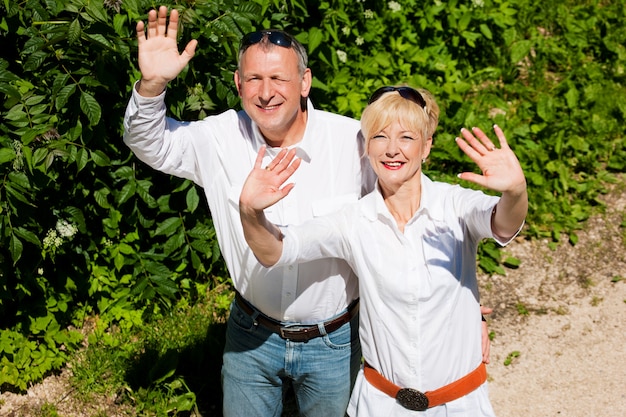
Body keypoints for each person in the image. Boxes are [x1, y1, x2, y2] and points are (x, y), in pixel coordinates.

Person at [123, 6, 492, 416]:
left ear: (304, 81)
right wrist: (152, 85)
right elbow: (149, 143)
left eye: (279, 78)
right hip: (251, 334)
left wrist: (465, 311)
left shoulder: (351, 141)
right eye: (254, 79)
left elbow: (408, 220)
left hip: (333, 340)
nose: (266, 92)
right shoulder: (217, 138)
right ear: (238, 84)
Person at [238, 86, 528, 416]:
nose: (392, 150)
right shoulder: (354, 221)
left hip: (459, 406)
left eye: (406, 137)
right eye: (379, 137)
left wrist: (516, 191)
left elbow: (504, 223)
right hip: (382, 405)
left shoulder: (455, 206)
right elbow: (276, 250)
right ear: (367, 147)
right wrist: (250, 212)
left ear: (426, 146)